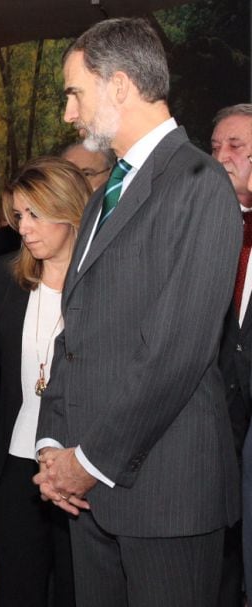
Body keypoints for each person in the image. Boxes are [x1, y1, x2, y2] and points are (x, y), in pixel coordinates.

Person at [34, 18, 241, 607]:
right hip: (89, 490)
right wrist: (54, 442)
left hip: (166, 493)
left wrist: (88, 461)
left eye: (75, 92)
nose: (69, 113)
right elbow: (76, 332)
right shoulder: (105, 192)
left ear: (119, 86)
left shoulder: (199, 182)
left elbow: (177, 351)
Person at [0, 157, 88, 607]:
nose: (23, 227)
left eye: (35, 214)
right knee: (19, 585)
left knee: (79, 585)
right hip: (18, 460)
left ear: (69, 211)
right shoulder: (8, 279)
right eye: (18, 215)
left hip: (82, 462)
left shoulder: (105, 282)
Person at [211, 103, 252, 607]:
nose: (220, 156)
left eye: (235, 146)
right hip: (219, 409)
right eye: (215, 145)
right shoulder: (209, 227)